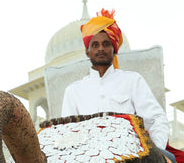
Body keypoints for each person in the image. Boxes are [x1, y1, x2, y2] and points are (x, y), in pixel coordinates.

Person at [61, 8, 170, 150]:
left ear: (114, 49)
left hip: (131, 154)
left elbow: (156, 119)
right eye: (95, 45)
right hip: (87, 158)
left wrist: (156, 152)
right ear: (87, 52)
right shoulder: (73, 91)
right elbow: (66, 132)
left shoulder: (132, 81)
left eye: (106, 44)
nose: (100, 49)